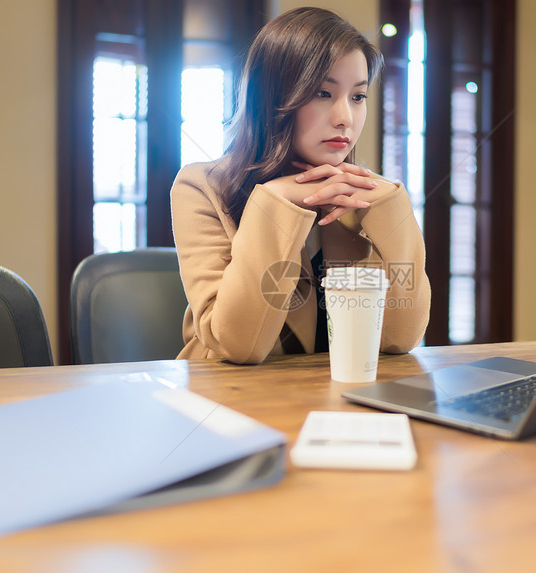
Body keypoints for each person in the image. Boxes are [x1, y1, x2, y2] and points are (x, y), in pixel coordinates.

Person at [171, 7, 431, 364]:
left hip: (331, 398)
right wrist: (274, 203)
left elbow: (399, 339)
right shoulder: (201, 187)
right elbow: (238, 347)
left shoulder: (368, 198)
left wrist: (394, 213)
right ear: (273, 98)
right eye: (323, 94)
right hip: (226, 401)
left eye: (358, 96)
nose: (345, 119)